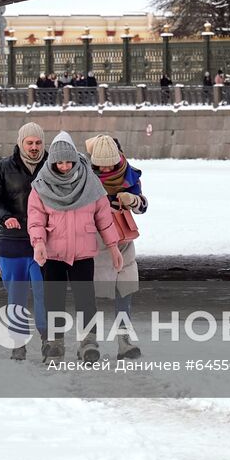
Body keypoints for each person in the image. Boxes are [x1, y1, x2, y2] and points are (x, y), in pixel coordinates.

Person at [29, 132, 123, 363]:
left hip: (82, 253)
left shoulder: (90, 182)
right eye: (60, 162)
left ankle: (88, 342)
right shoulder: (41, 186)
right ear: (52, 162)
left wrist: (113, 246)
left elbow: (104, 218)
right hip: (54, 254)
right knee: (54, 299)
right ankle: (55, 343)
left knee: (86, 299)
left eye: (68, 161)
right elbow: (36, 219)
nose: (64, 166)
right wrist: (39, 243)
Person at [0, 122, 50, 360]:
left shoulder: (53, 166)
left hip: (43, 243)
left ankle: (47, 340)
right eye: (29, 143)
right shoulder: (3, 168)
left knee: (45, 293)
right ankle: (18, 343)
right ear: (21, 143)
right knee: (16, 296)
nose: (34, 147)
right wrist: (4, 217)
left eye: (38, 143)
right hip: (12, 243)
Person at [86, 134, 148, 360]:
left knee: (125, 289)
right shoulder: (85, 176)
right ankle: (89, 341)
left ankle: (124, 341)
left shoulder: (128, 174)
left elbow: (143, 205)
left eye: (111, 162)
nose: (108, 168)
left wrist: (133, 201)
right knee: (90, 293)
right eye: (102, 165)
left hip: (122, 240)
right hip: (95, 241)